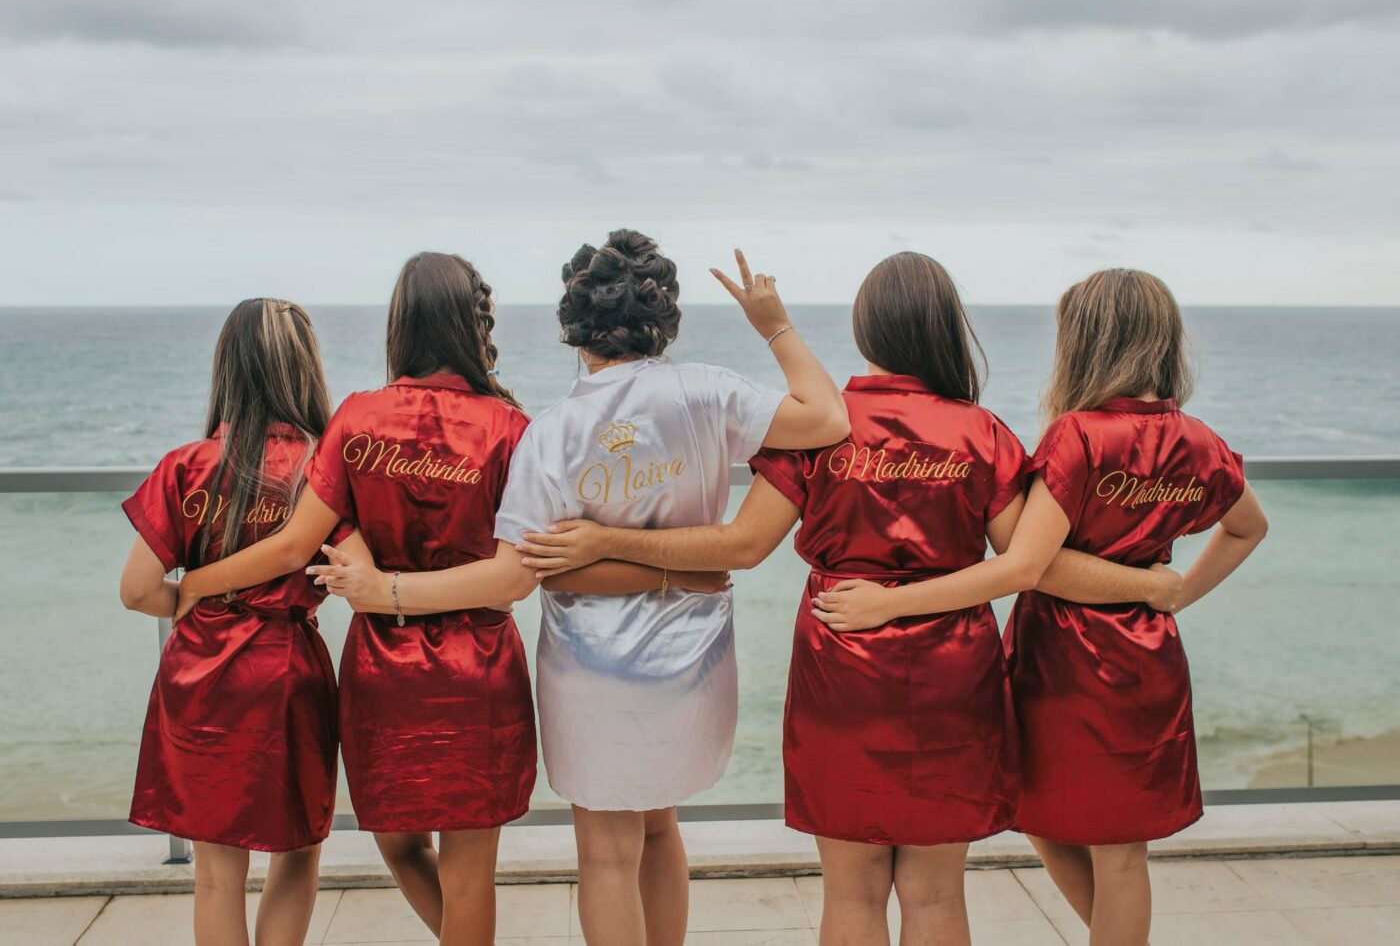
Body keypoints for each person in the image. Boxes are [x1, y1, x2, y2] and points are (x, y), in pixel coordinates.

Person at [513, 252, 1182, 946]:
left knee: (852, 893)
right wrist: (1146, 580)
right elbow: (1032, 563)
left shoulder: (823, 430)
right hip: (955, 672)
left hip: (841, 666)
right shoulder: (981, 433)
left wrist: (604, 543)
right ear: (946, 329)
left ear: (865, 329)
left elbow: (741, 544)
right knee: (936, 896)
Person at [309, 230, 849, 946]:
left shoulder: (555, 430)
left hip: (591, 663)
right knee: (660, 823)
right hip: (692, 659)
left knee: (605, 850)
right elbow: (829, 419)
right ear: (663, 320)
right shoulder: (710, 390)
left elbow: (532, 569)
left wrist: (386, 589)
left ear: (574, 324)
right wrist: (773, 324)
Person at [174, 253, 708, 946]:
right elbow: (519, 573)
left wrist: (191, 586)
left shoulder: (356, 418)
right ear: (472, 324)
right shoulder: (509, 427)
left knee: (400, 847)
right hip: (478, 669)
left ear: (398, 323)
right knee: (470, 876)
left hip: (381, 672)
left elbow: (297, 542)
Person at [795, 269, 1267, 946]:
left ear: (1087, 342)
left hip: (1067, 656)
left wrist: (886, 605)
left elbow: (1025, 565)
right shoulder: (1200, 441)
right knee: (1105, 844)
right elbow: (1250, 526)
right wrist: (1169, 591)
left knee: (1066, 832)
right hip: (1148, 652)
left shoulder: (1078, 437)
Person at [119, 298, 342, 946]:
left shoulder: (186, 466)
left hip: (199, 677)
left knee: (216, 872)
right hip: (286, 672)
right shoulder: (322, 466)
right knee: (296, 851)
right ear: (304, 368)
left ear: (229, 368)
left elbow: (136, 590)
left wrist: (191, 599)